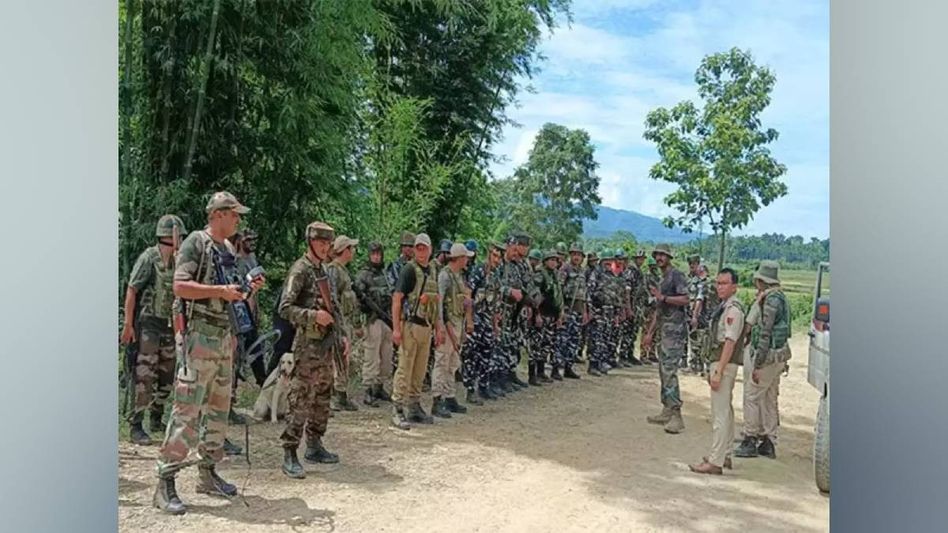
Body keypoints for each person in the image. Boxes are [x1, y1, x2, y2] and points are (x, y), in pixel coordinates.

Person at [154, 192, 263, 515]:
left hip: (223, 338)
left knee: (218, 411)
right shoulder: (196, 243)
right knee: (187, 410)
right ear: (217, 214)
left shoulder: (227, 249)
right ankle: (165, 481)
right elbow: (180, 286)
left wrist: (247, 289)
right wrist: (220, 291)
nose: (238, 219)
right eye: (234, 214)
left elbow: (230, 294)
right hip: (199, 337)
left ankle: (208, 473)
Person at [277, 221, 344, 479]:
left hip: (325, 345)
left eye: (328, 243)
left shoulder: (324, 270)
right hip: (306, 346)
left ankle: (315, 444)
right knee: (300, 398)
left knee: (322, 396)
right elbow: (285, 308)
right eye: (321, 242)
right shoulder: (301, 270)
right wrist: (313, 315)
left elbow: (334, 307)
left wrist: (342, 336)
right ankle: (290, 451)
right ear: (310, 242)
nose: (325, 247)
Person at [121, 214, 186, 445]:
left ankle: (157, 417)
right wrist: (128, 324)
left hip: (169, 325)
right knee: (144, 374)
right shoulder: (149, 258)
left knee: (167, 373)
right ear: (170, 237)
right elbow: (132, 290)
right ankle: (136, 424)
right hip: (148, 325)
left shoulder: (179, 261)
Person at [689, 268, 744, 475]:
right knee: (726, 410)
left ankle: (716, 460)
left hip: (723, 362)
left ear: (734, 286)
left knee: (719, 414)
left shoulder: (733, 310)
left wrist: (719, 370)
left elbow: (730, 341)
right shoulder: (725, 306)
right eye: (718, 283)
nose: (719, 287)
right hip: (722, 361)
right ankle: (725, 453)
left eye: (724, 283)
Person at [735, 260, 791, 459]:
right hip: (779, 356)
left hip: (766, 356)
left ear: (761, 281)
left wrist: (758, 363)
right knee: (769, 398)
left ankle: (750, 437)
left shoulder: (768, 300)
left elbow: (765, 333)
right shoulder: (780, 297)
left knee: (752, 396)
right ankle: (769, 440)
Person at [390, 233, 445, 430]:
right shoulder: (409, 270)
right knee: (405, 368)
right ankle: (397, 408)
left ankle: (414, 406)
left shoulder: (433, 271)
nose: (421, 251)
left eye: (424, 248)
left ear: (430, 250)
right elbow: (397, 299)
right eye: (418, 248)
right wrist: (396, 329)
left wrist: (438, 327)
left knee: (420, 370)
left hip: (426, 326)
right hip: (411, 326)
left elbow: (435, 303)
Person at [642, 244, 689, 435]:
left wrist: (663, 298)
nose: (659, 258)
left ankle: (677, 415)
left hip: (675, 331)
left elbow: (685, 299)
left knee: (669, 371)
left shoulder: (676, 275)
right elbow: (658, 310)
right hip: (664, 331)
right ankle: (667, 409)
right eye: (657, 255)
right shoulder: (662, 279)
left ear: (669, 257)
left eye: (663, 255)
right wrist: (649, 333)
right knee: (663, 370)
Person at [431, 243, 475, 417]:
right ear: (460, 258)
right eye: (465, 257)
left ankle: (449, 396)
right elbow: (439, 302)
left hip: (457, 323)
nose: (467, 260)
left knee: (453, 362)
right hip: (447, 324)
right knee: (442, 361)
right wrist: (440, 326)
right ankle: (437, 399)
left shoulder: (458, 276)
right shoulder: (445, 276)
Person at [462, 242, 505, 402]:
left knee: (486, 354)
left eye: (499, 257)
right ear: (489, 254)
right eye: (494, 256)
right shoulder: (479, 270)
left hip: (487, 320)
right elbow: (468, 294)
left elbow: (495, 303)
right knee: (471, 355)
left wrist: (495, 326)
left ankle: (483, 386)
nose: (497, 260)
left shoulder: (496, 274)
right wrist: (469, 320)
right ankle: (470, 389)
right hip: (476, 318)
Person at [354, 242, 394, 407]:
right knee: (371, 356)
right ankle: (368, 390)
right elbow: (357, 301)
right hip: (372, 320)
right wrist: (357, 323)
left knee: (386, 356)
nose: (376, 257)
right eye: (373, 254)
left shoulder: (385, 274)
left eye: (378, 254)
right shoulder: (363, 275)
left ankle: (379, 387)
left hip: (387, 319)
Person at [326, 235, 361, 412]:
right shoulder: (333, 270)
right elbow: (332, 297)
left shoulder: (343, 271)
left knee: (345, 358)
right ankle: (335, 396)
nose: (353, 251)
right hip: (338, 322)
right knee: (338, 357)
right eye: (351, 248)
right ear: (345, 250)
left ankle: (341, 394)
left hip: (346, 320)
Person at [555, 242, 586, 380]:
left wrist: (585, 311)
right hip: (567, 308)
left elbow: (584, 292)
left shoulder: (582, 271)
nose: (576, 257)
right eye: (574, 254)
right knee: (562, 339)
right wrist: (560, 309)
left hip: (578, 309)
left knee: (574, 339)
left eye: (579, 255)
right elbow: (559, 290)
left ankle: (568, 367)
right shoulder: (565, 269)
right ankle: (556, 368)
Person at [533, 250, 564, 383]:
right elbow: (535, 296)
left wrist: (560, 314)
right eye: (551, 260)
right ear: (545, 261)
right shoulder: (540, 275)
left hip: (552, 314)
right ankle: (534, 373)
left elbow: (559, 297)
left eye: (555, 260)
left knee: (547, 345)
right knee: (537, 345)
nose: (553, 262)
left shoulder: (555, 275)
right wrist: (537, 314)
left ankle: (541, 372)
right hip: (542, 313)